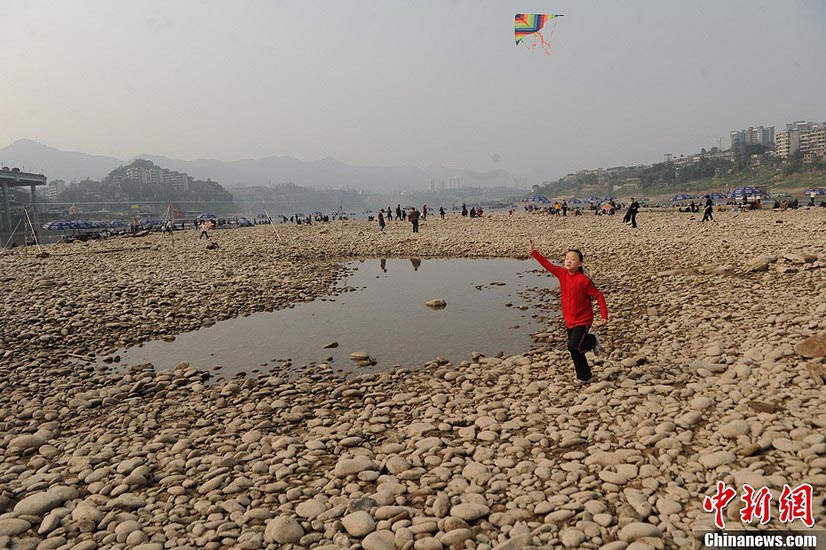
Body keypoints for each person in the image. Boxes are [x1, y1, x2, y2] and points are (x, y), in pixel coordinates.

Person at [529, 241, 609, 384]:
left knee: (572, 346)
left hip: (583, 320)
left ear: (580, 264)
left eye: (573, 259)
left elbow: (598, 296)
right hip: (569, 320)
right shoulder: (561, 273)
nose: (568, 261)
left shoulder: (583, 281)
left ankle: (591, 340)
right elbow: (548, 265)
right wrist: (534, 252)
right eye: (566, 258)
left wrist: (604, 315)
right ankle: (585, 377)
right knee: (575, 350)